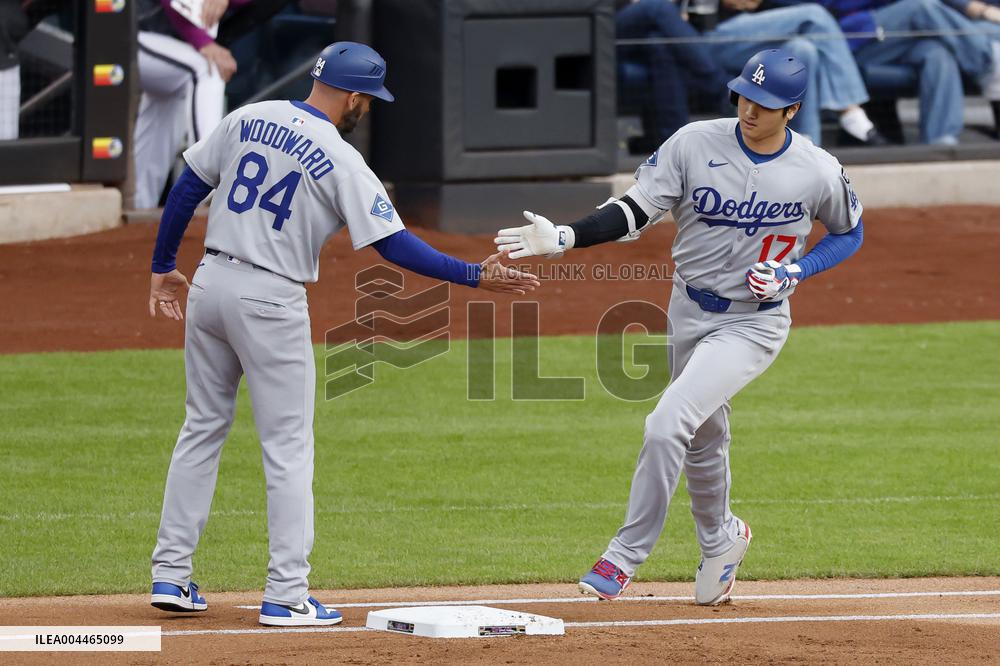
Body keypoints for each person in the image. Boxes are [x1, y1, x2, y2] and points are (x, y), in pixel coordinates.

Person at [147, 42, 538, 626]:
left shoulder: (247, 115)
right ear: (354, 96)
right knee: (287, 447)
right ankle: (287, 593)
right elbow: (392, 244)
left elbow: (187, 186)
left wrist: (161, 267)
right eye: (369, 100)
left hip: (208, 284)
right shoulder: (340, 157)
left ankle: (171, 576)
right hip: (270, 299)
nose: (369, 109)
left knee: (201, 427)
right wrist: (474, 276)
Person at [495, 49, 863, 604]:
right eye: (743, 95)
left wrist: (797, 269)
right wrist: (567, 237)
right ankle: (721, 538)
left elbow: (848, 231)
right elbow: (636, 210)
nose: (749, 109)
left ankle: (622, 557)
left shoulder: (815, 169)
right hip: (685, 310)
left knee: (668, 424)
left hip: (753, 325)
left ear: (792, 110)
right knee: (705, 435)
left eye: (764, 104)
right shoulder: (693, 143)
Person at [704, 0, 888, 146]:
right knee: (814, 15)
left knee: (802, 50)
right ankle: (849, 109)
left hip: (762, 34)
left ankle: (808, 144)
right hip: (710, 37)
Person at [815, 0, 1000, 142]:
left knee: (937, 53)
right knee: (922, 7)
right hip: (849, 40)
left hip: (897, 35)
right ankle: (989, 63)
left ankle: (941, 143)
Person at [133, 0, 247, 209]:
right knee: (206, 68)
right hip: (130, 32)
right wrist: (203, 42)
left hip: (170, 45)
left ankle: (140, 205)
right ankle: (208, 181)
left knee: (165, 104)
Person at [616, 0, 730, 148]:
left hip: (644, 26)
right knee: (659, 6)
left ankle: (673, 142)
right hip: (606, 18)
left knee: (660, 44)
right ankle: (719, 86)